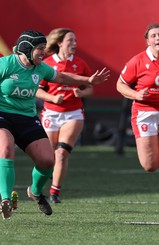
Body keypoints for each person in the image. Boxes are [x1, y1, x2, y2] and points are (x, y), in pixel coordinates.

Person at [0, 30, 110, 220]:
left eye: (44, 48)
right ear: (27, 49)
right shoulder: (6, 64)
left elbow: (62, 77)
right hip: (3, 115)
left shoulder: (41, 68)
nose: (43, 53)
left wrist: (88, 80)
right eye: (40, 49)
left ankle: (34, 191)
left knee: (47, 161)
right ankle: (5, 199)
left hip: (27, 118)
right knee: (6, 149)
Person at [115, 24, 159, 213]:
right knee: (150, 165)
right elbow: (120, 85)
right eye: (153, 35)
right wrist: (136, 95)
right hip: (145, 113)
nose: (158, 38)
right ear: (148, 41)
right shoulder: (137, 61)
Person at [35, 28, 92, 204]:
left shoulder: (81, 64)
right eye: (70, 40)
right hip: (51, 113)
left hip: (73, 113)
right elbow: (36, 89)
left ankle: (54, 192)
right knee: (48, 156)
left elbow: (90, 87)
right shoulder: (47, 64)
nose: (74, 44)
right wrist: (52, 98)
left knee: (61, 153)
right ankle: (39, 188)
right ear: (60, 43)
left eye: (75, 40)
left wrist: (81, 94)